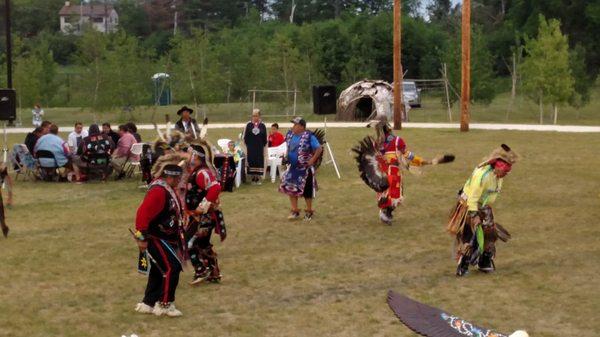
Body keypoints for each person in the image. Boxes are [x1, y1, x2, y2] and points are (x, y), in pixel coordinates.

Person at [352, 117, 454, 225]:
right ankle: (386, 213)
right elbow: (408, 156)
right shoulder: (395, 141)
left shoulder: (380, 143)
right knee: (394, 197)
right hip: (391, 173)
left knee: (388, 196)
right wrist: (424, 162)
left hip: (382, 174)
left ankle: (386, 213)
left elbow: (405, 156)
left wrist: (421, 162)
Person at [447, 144, 517, 277]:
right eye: (505, 172)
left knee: (490, 234)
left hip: (483, 207)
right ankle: (463, 265)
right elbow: (473, 197)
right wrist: (474, 216)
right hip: (468, 205)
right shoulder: (483, 175)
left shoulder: (497, 176)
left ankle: (484, 262)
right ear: (498, 167)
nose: (505, 175)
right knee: (470, 236)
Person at [133, 155, 186, 317]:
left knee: (158, 269)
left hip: (166, 236)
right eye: (177, 179)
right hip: (156, 237)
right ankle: (164, 304)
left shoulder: (166, 189)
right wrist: (141, 239)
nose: (179, 182)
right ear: (169, 177)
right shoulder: (158, 191)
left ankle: (148, 303)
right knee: (172, 267)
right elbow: (142, 214)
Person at [184, 139, 227, 285]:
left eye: (189, 154)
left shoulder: (202, 172)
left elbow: (215, 188)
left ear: (196, 156)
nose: (187, 156)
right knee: (202, 244)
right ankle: (214, 273)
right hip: (199, 217)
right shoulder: (197, 171)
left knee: (188, 243)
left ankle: (201, 270)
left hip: (203, 218)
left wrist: (202, 207)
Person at [279, 117, 323, 221]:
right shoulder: (290, 135)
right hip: (292, 167)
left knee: (307, 191)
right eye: (293, 124)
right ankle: (295, 211)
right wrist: (286, 157)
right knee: (291, 189)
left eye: (295, 125)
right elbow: (288, 147)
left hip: (305, 169)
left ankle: (309, 211)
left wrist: (312, 160)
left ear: (302, 127)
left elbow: (319, 148)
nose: (293, 126)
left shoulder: (309, 136)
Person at [243, 108, 267, 184]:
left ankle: (258, 178)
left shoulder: (263, 125)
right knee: (252, 160)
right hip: (251, 147)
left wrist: (262, 145)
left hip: (260, 147)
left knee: (259, 161)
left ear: (259, 116)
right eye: (253, 116)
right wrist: (248, 145)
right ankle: (253, 178)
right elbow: (245, 136)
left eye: (256, 116)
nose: (254, 117)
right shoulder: (248, 125)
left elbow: (265, 137)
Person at [0, 163, 13, 238]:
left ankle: (4, 227)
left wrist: (10, 196)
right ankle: (4, 227)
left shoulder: (3, 169)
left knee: (1, 212)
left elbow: (8, 180)